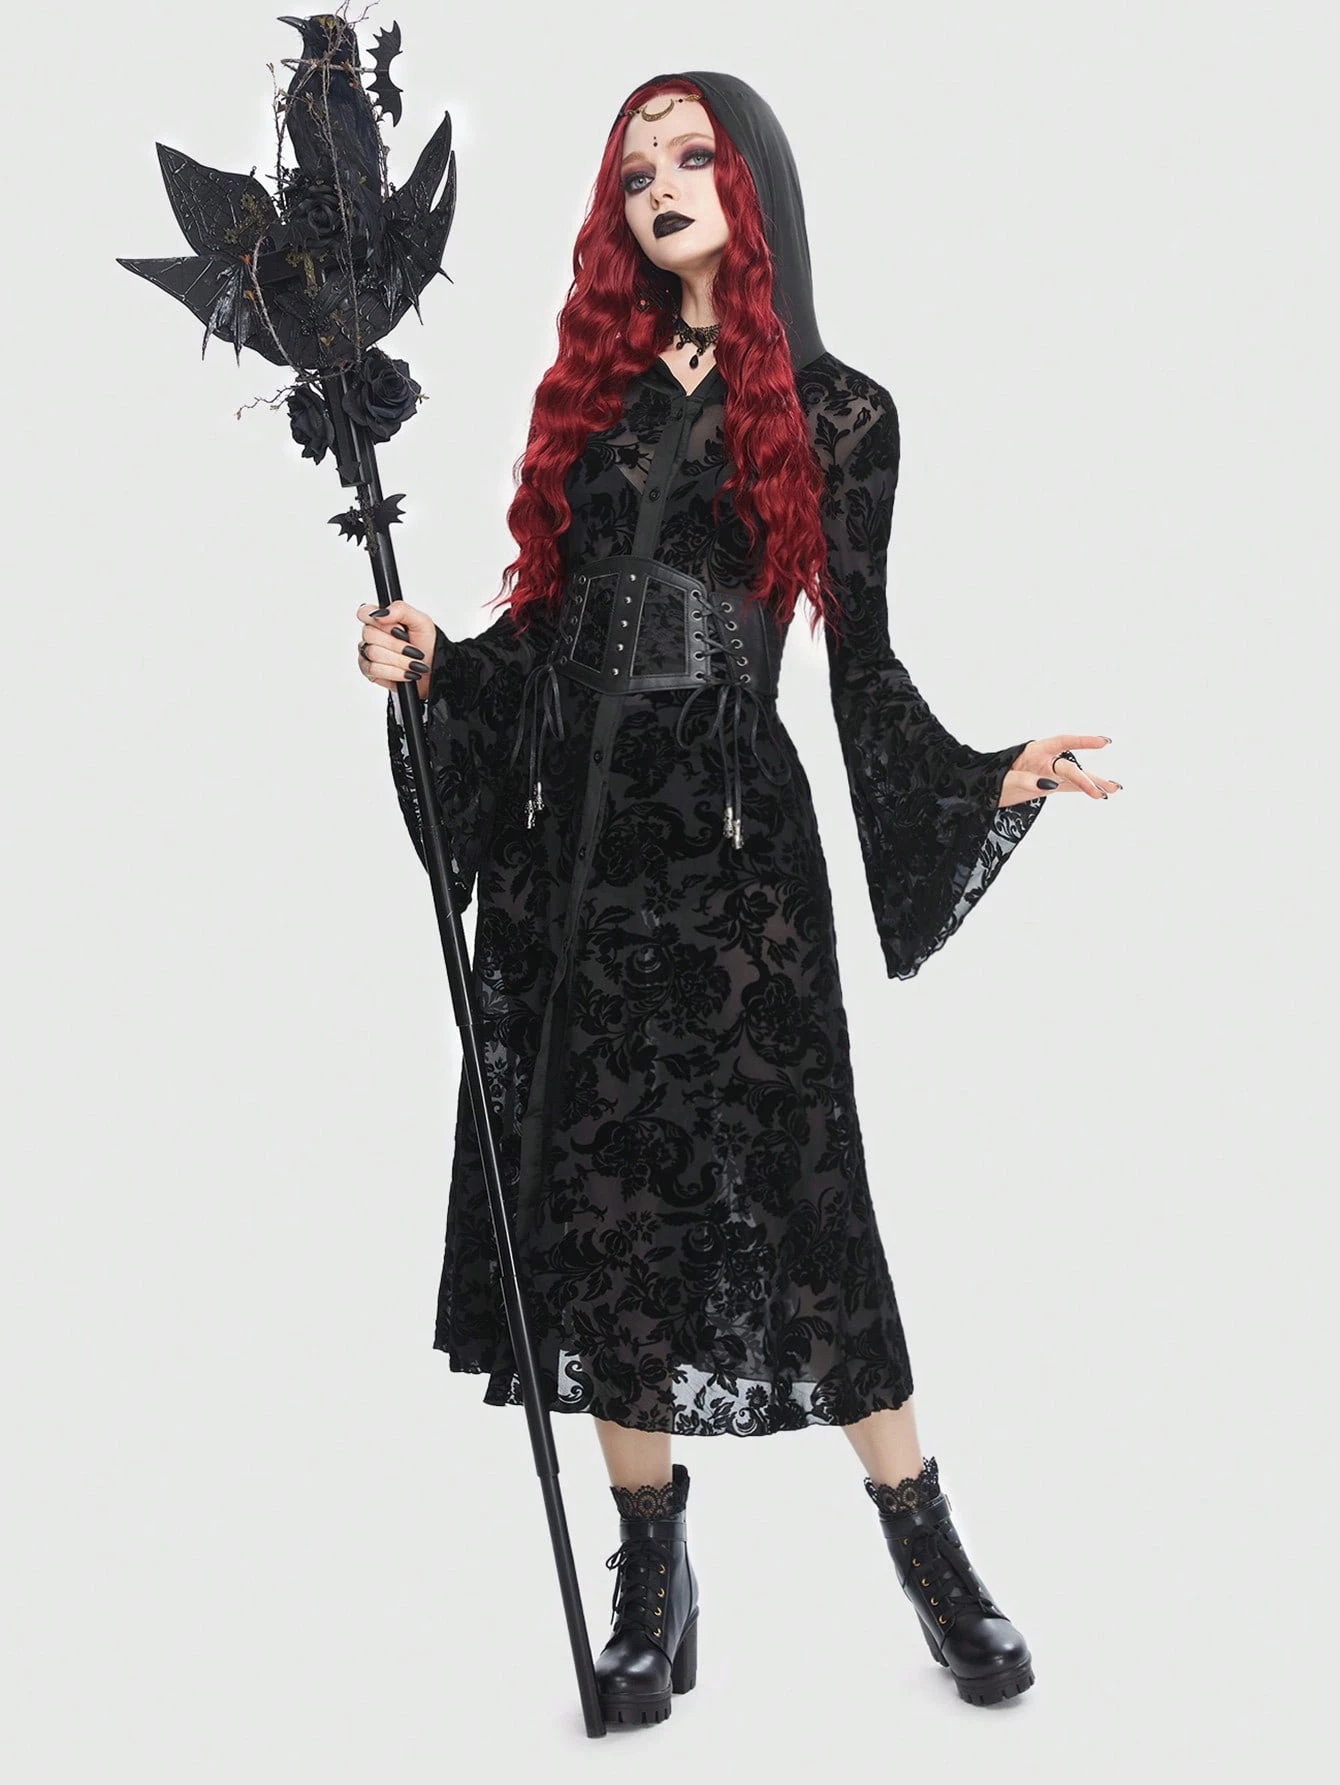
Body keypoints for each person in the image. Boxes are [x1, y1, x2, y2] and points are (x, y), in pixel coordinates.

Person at [355, 70, 1120, 1723]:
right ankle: (653, 1571)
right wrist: (437, 666)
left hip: (731, 846)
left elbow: (865, 670)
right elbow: (540, 644)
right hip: (576, 853)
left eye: (691, 157)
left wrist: (982, 774)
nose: (661, 189)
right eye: (635, 173)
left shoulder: (841, 416)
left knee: (808, 1195)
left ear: (752, 181)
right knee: (607, 1208)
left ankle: (927, 1547)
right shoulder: (590, 401)